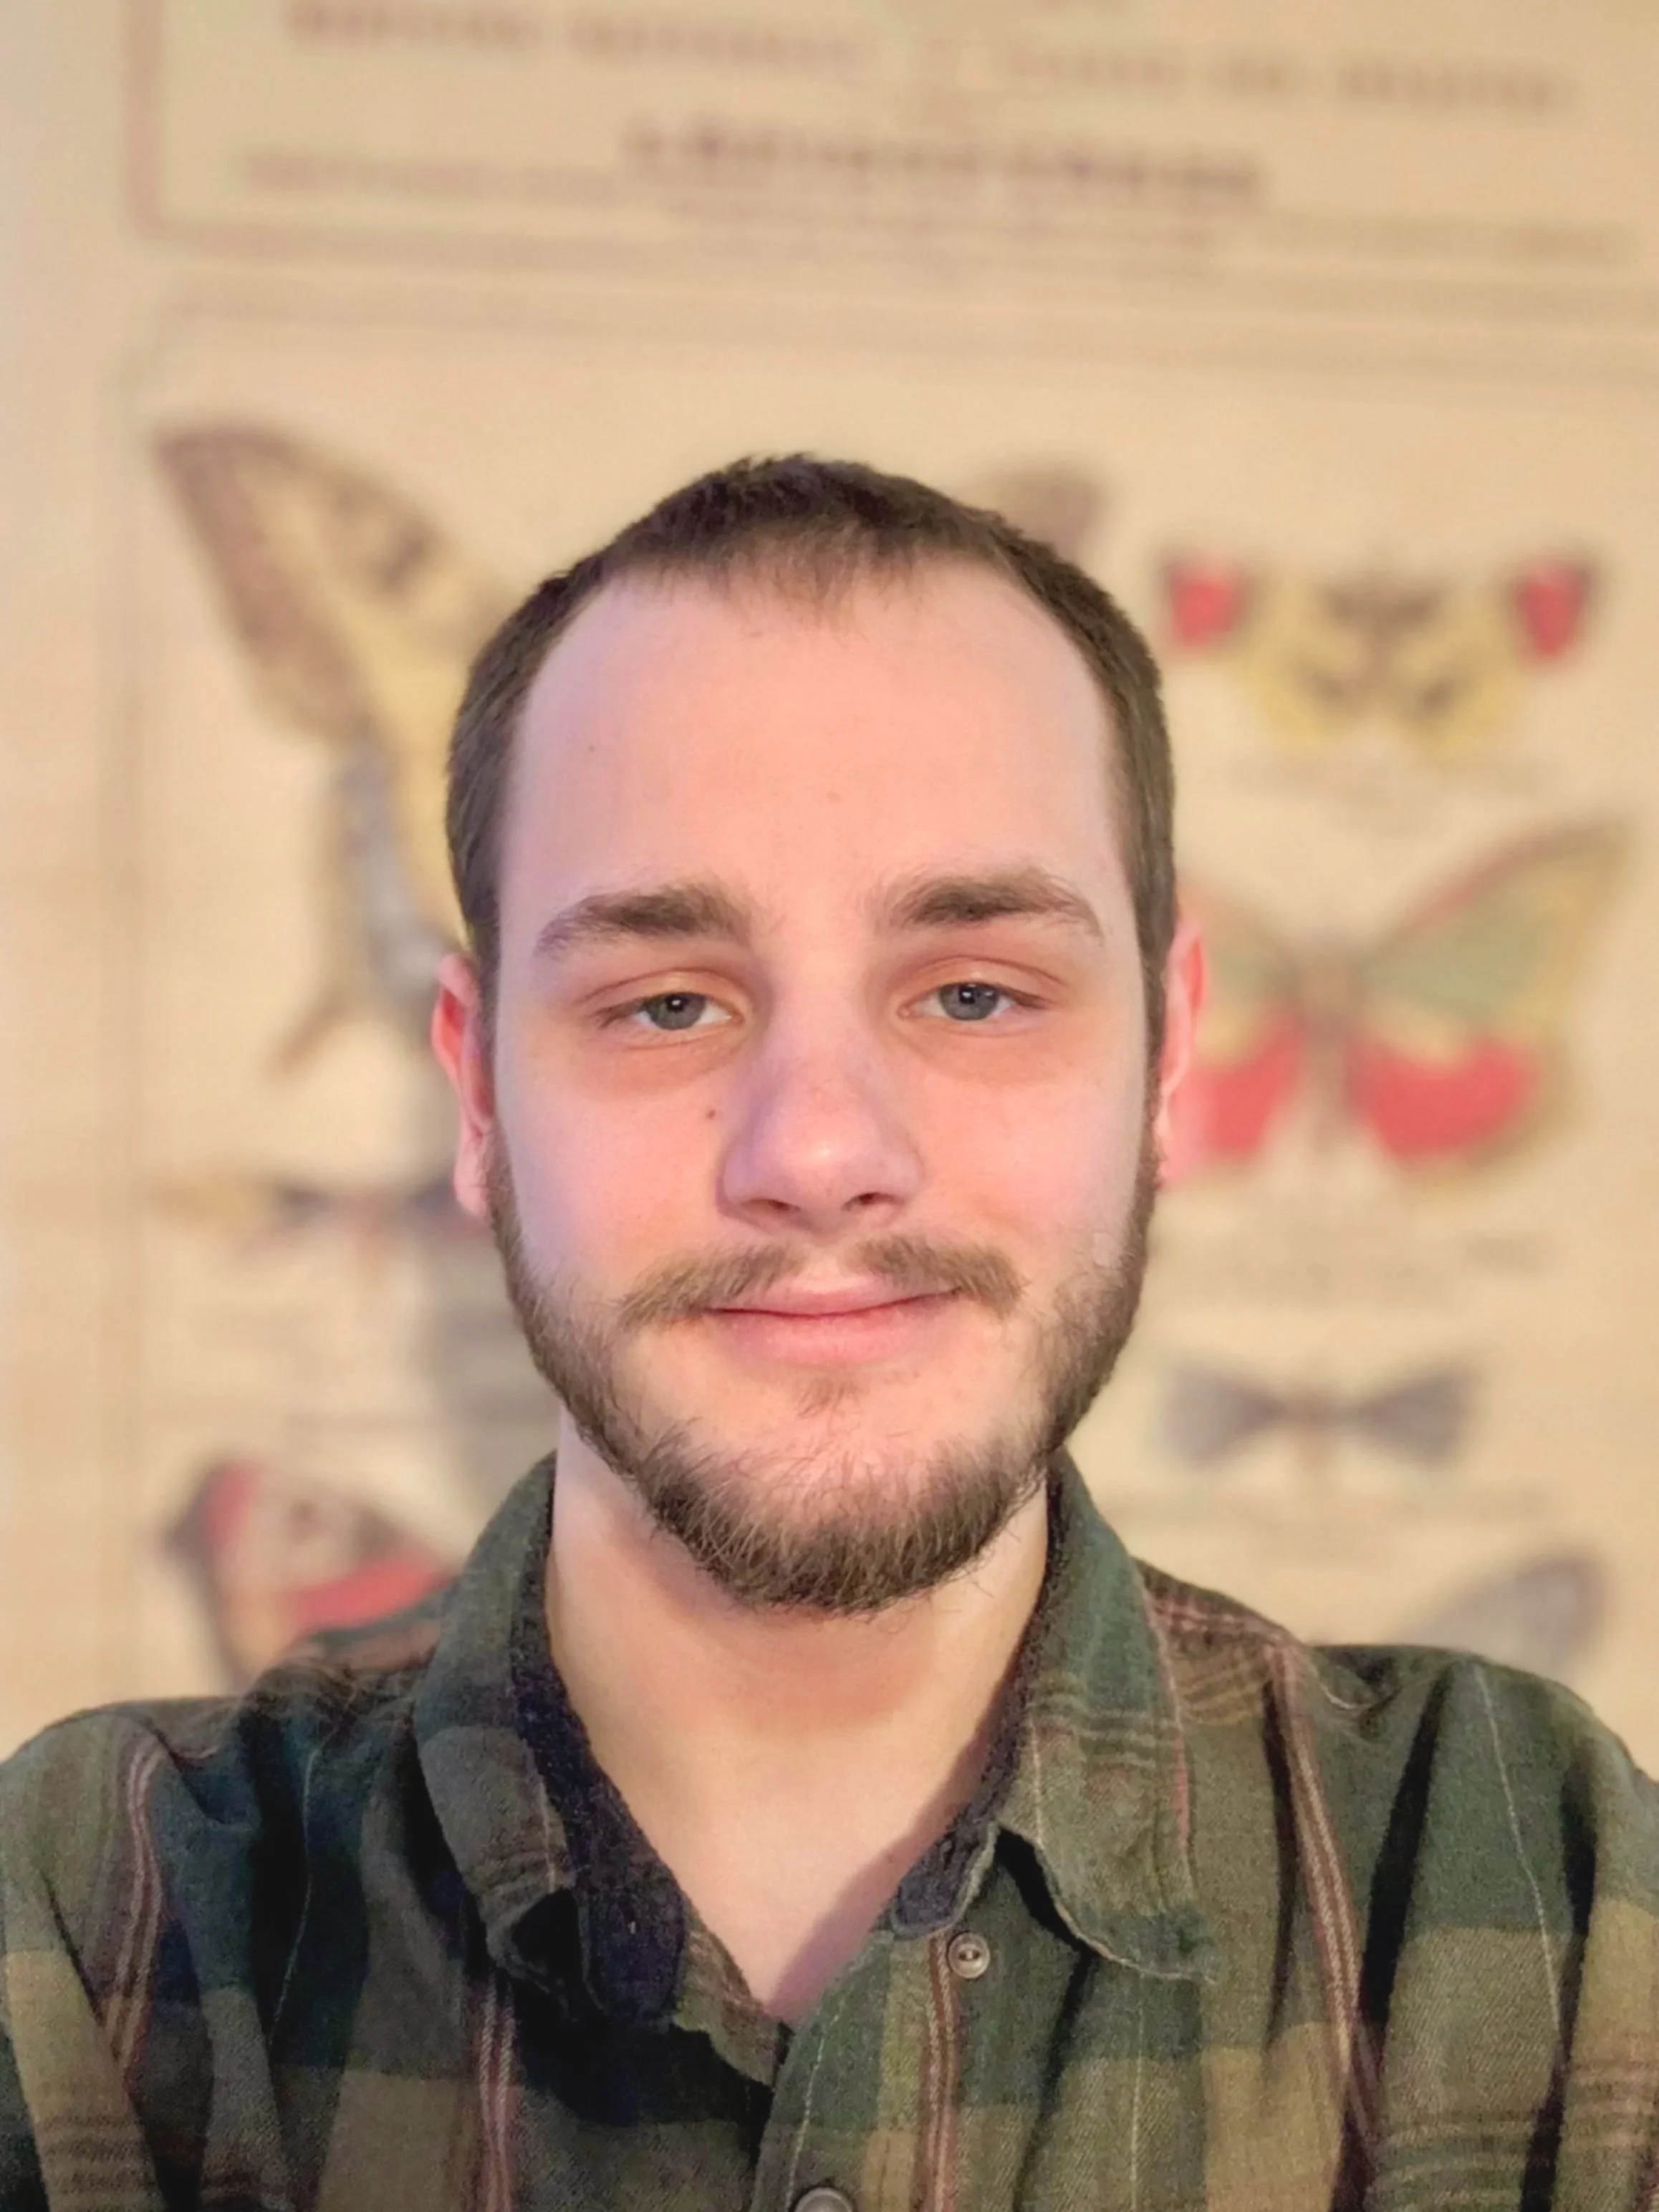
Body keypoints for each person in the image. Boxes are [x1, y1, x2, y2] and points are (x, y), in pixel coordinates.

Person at [1, 457, 1656, 2212]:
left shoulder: (1538, 1887)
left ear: (1167, 1060)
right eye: (665, 1002)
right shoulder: (100, 1916)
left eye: (971, 992)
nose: (818, 1152)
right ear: (475, 1096)